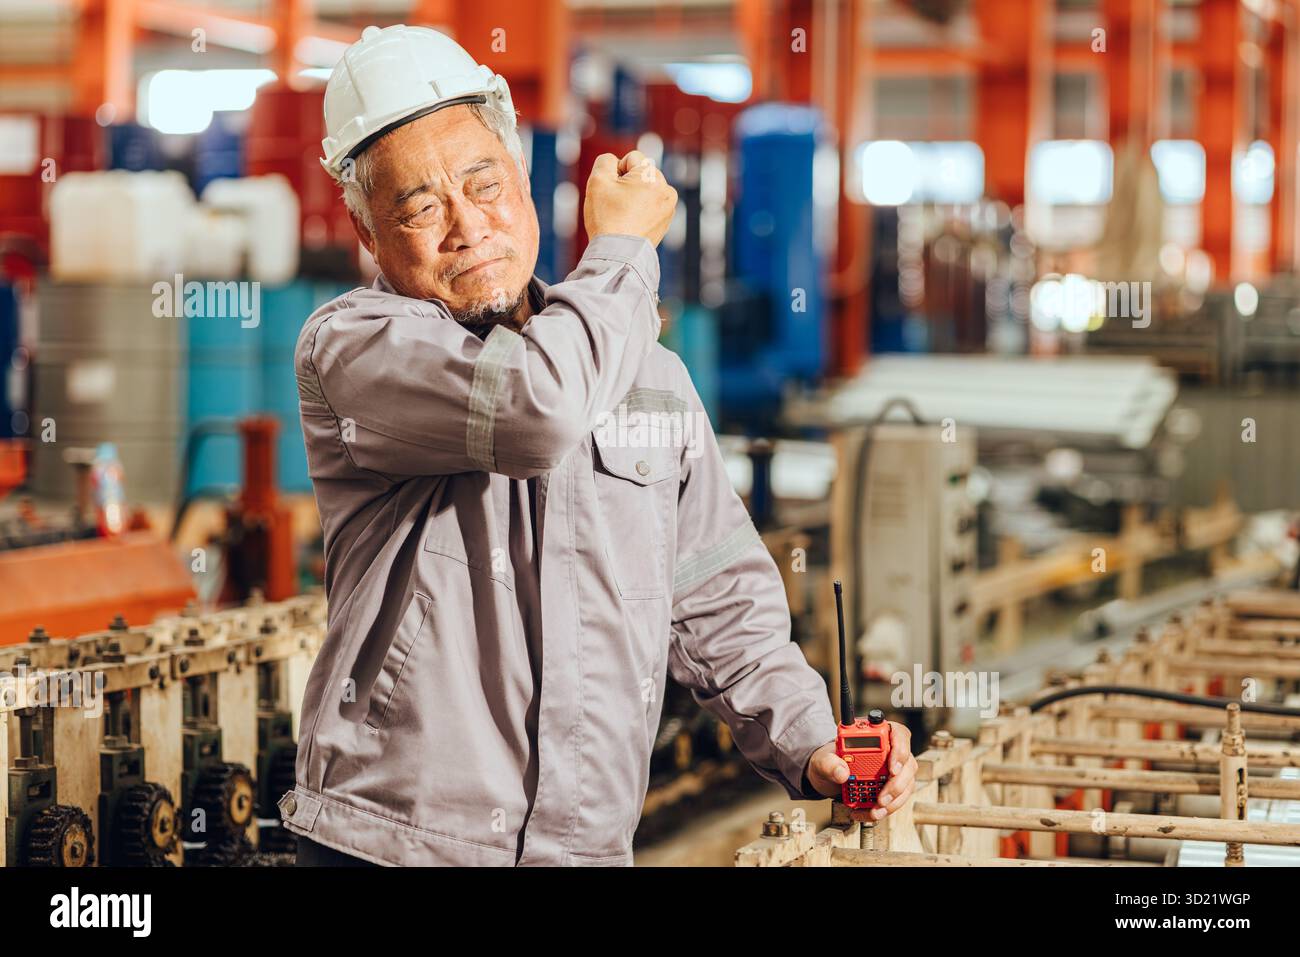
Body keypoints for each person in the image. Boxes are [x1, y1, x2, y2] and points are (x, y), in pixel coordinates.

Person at [282, 24, 918, 866]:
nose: (467, 227)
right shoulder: (357, 346)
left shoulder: (650, 378)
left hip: (583, 848)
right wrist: (622, 250)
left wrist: (810, 739)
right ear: (368, 234)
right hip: (396, 845)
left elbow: (718, 596)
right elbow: (535, 408)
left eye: (485, 184)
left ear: (524, 180)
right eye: (421, 206)